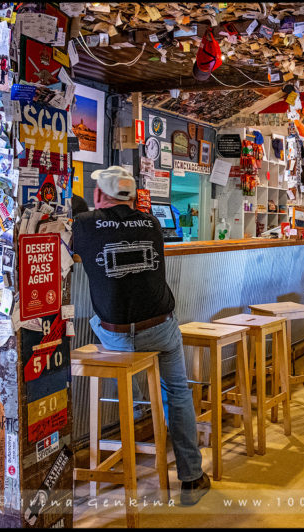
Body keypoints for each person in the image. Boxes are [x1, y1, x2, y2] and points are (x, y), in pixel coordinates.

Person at [71, 166, 210, 506]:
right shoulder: (152, 223)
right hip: (161, 327)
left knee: (97, 324)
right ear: (132, 197)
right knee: (176, 392)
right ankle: (191, 477)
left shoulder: (84, 226)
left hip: (117, 338)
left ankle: (133, 411)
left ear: (99, 195)